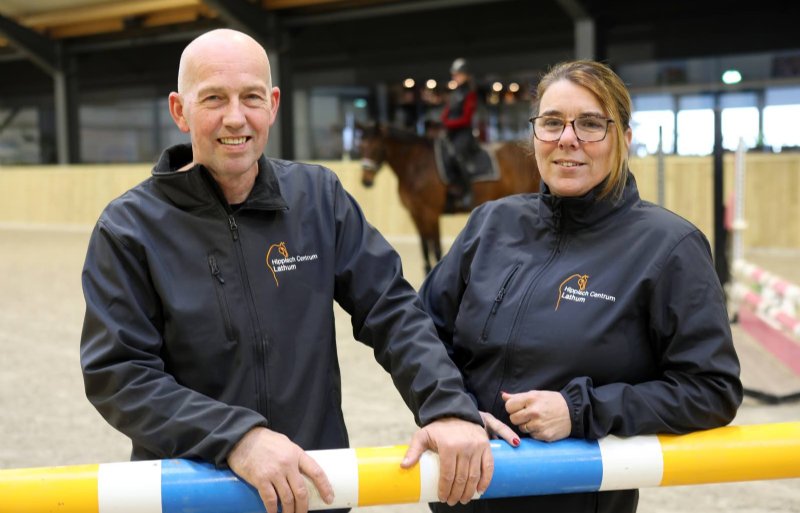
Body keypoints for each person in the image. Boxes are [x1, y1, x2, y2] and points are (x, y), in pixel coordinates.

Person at [79, 28, 493, 513]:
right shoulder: (128, 228)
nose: (236, 117)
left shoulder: (319, 198)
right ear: (179, 110)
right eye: (214, 98)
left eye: (251, 97)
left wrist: (445, 404)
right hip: (197, 494)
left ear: (272, 104)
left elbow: (392, 309)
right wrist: (237, 438)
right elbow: (120, 374)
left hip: (312, 489)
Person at [418, 60, 743, 513]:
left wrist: (581, 410)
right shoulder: (491, 222)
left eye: (590, 124)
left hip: (573, 499)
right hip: (462, 495)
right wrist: (451, 407)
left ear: (624, 140)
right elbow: (422, 330)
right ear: (535, 135)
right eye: (552, 122)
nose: (567, 138)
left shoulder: (670, 247)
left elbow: (711, 389)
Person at [441, 57, 480, 208]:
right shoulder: (455, 94)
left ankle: (467, 191)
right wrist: (444, 119)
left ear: (465, 75)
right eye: (454, 74)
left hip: (464, 134)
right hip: (451, 133)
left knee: (456, 156)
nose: (454, 77)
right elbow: (446, 112)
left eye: (457, 74)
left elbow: (466, 119)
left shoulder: (470, 94)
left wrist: (448, 123)